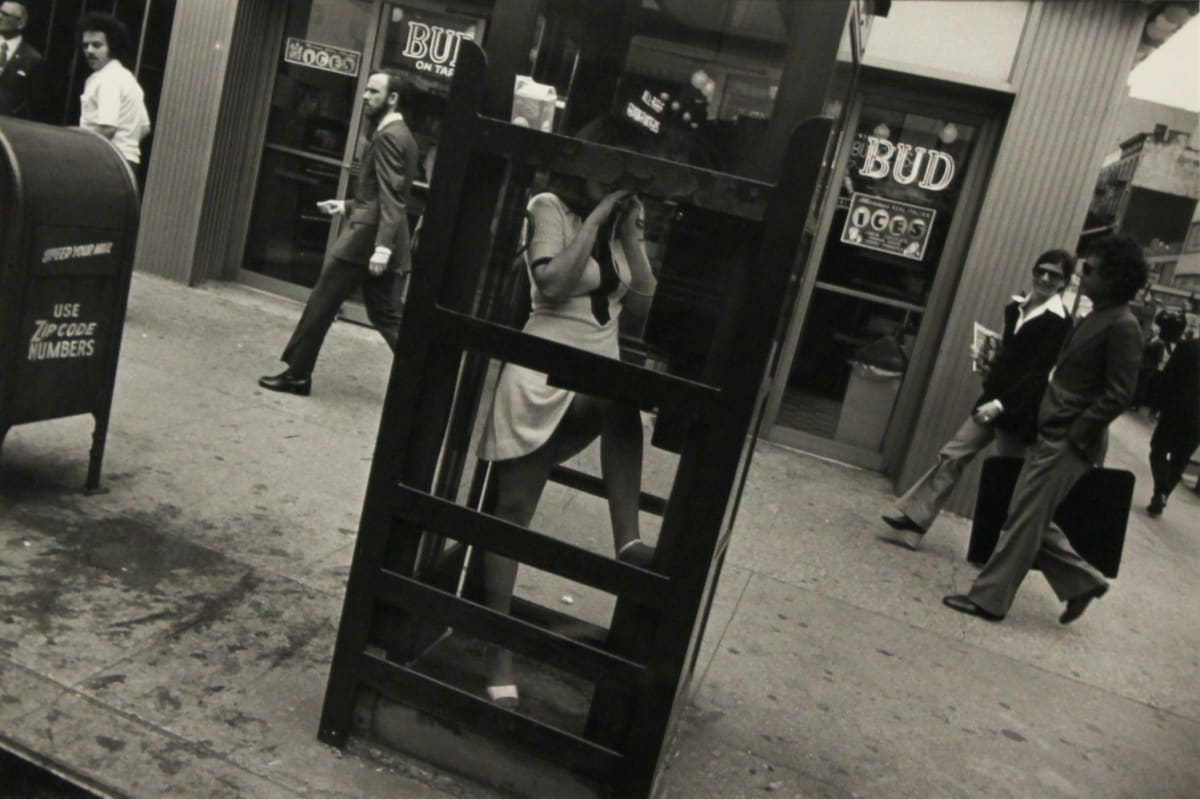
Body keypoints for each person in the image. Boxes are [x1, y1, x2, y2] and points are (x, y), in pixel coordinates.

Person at [476, 117, 659, 706]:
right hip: (541, 373)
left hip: (592, 373)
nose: (618, 181)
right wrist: (599, 217)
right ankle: (495, 646)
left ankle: (627, 540)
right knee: (512, 512)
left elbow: (644, 300)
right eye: (610, 169)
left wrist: (629, 232)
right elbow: (552, 284)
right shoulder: (550, 205)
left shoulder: (619, 221)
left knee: (621, 399)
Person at [943, 234, 1147, 625]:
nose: (1080, 276)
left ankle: (989, 599)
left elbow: (1120, 394)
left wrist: (1076, 432)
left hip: (1068, 441)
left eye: (1089, 270)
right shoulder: (1097, 317)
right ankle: (1083, 581)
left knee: (1024, 519)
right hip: (1053, 432)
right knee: (1027, 513)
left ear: (1114, 278)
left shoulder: (1123, 326)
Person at [882, 250, 1075, 549]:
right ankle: (915, 522)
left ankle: (997, 548)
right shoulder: (1016, 308)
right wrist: (989, 361)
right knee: (953, 455)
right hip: (993, 399)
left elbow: (1038, 374)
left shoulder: (1060, 323)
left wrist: (1001, 405)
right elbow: (1011, 357)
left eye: (1055, 275)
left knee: (1005, 480)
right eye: (1042, 271)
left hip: (1019, 409)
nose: (1046, 279)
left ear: (1064, 282)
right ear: (1033, 271)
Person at [259, 70, 419, 396]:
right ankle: (424, 377)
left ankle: (298, 375)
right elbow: (382, 195)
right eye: (366, 91)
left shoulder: (389, 136)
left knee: (322, 301)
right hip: (378, 232)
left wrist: (381, 248)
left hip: (366, 239)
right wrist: (346, 205)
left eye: (373, 92)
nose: (365, 96)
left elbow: (391, 195)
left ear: (392, 99)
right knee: (386, 314)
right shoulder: (403, 135)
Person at [77, 13, 151, 175]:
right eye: (85, 45)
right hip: (127, 163)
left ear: (112, 46)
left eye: (97, 45)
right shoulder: (127, 77)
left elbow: (108, 128)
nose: (89, 51)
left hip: (103, 162)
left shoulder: (107, 80)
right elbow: (144, 127)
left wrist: (77, 144)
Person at [1146, 329, 1199, 517]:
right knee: (1180, 460)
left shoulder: (1189, 347)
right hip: (1198, 421)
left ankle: (1160, 490)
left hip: (1175, 411)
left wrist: (1155, 404)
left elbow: (1169, 376)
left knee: (1158, 450)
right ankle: (1163, 494)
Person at [0, 1, 46, 121]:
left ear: (20, 23)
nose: (0, 17)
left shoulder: (32, 60)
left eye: (5, 14)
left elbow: (33, 105)